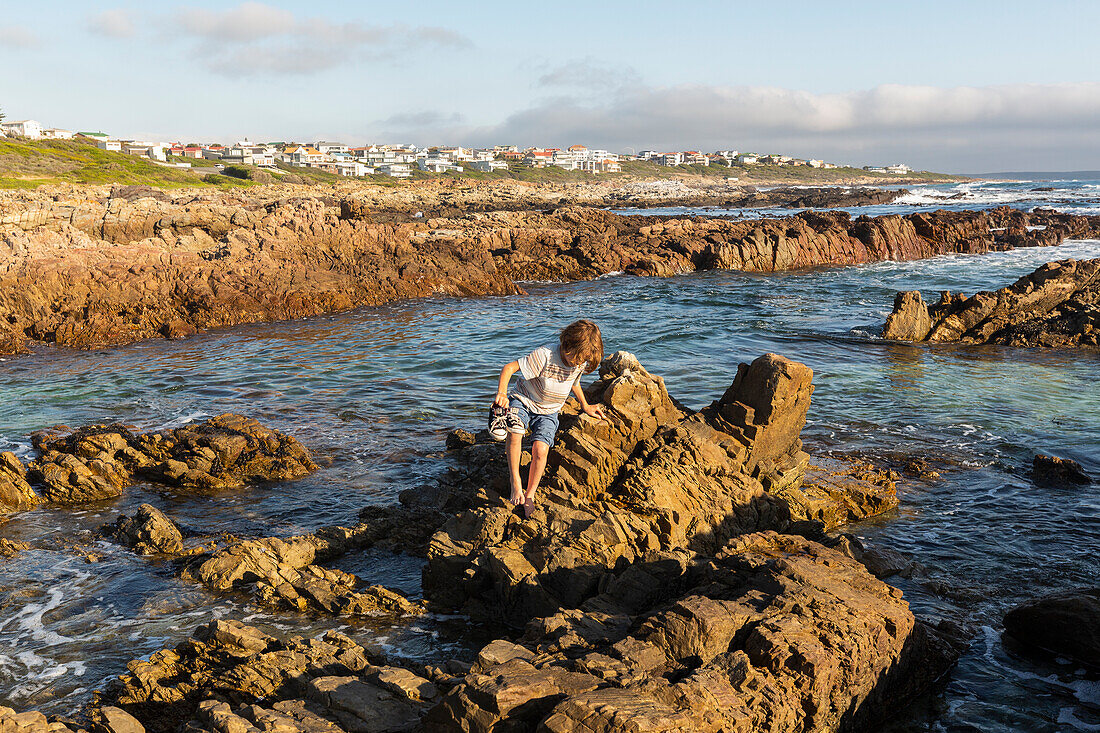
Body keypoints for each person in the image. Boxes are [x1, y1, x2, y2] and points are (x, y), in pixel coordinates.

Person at [491, 320, 606, 518]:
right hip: (523, 399)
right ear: (567, 344)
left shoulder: (579, 361)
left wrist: (585, 406)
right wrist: (502, 393)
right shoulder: (545, 355)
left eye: (583, 362)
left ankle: (530, 494)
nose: (579, 364)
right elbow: (508, 368)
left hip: (549, 410)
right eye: (577, 359)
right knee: (516, 430)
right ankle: (515, 483)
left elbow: (574, 383)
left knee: (541, 449)